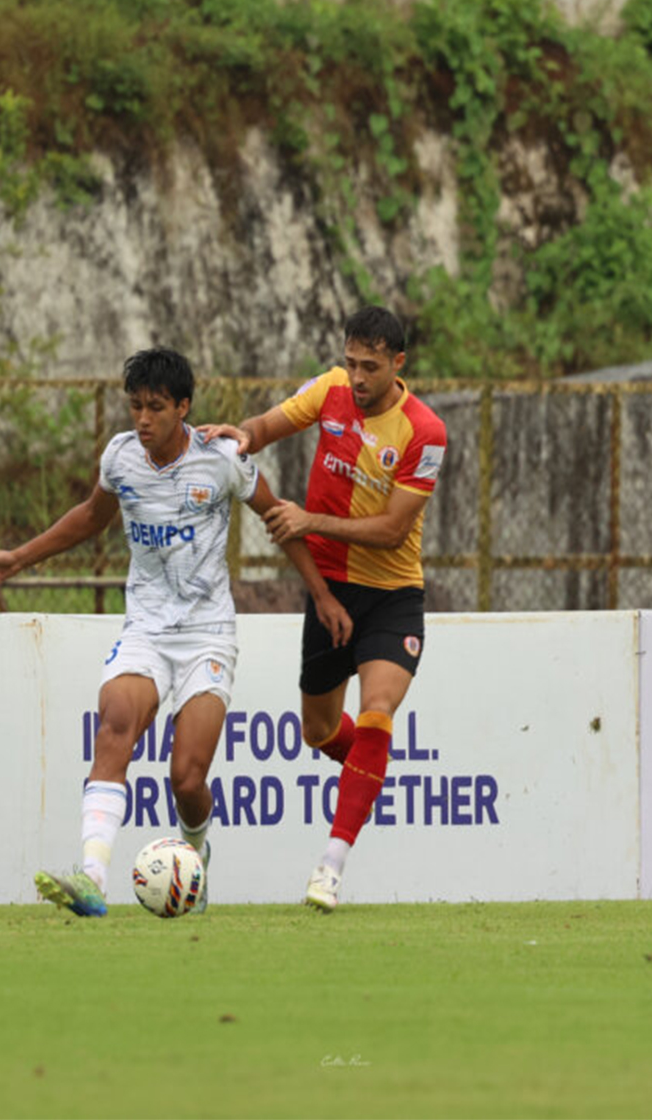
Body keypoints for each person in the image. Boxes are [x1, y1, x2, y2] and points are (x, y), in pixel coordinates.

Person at [0, 347, 348, 918]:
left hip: (207, 634)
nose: (142, 420)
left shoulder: (221, 459)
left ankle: (193, 861)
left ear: (183, 408)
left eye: (155, 408)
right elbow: (91, 517)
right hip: (145, 628)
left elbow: (277, 517)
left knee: (186, 777)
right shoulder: (121, 457)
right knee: (115, 727)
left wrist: (320, 594)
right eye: (135, 407)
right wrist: (20, 557)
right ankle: (92, 878)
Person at [200, 306, 447, 911]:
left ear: (398, 364)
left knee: (379, 709)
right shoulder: (331, 390)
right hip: (329, 590)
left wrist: (309, 520)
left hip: (392, 595)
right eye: (351, 363)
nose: (357, 377)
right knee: (318, 731)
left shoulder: (425, 432)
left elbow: (391, 531)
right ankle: (370, 769)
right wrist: (242, 436)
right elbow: (270, 423)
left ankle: (329, 866)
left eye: (370, 366)